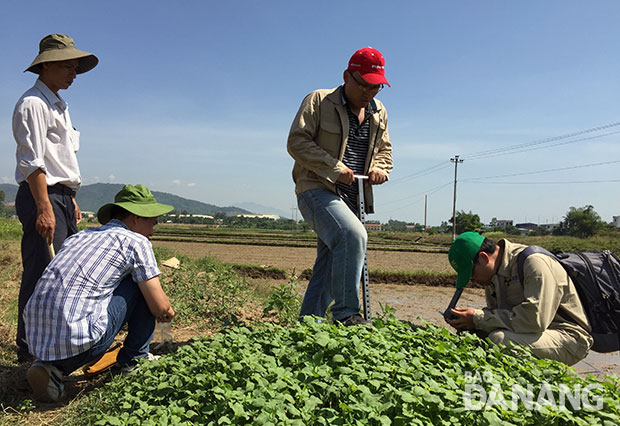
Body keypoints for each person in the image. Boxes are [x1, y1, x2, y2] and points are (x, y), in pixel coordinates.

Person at [24, 184, 175, 402]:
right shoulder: (137, 242)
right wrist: (166, 311)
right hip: (78, 336)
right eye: (152, 220)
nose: (154, 227)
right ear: (135, 217)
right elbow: (159, 307)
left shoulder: (80, 237)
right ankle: (135, 360)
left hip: (36, 337)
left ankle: (50, 368)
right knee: (139, 284)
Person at [287, 47, 393, 325]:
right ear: (347, 76)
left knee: (331, 261)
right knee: (352, 235)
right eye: (364, 85)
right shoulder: (319, 101)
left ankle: (308, 325)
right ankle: (346, 313)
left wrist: (379, 168)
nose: (370, 93)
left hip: (353, 195)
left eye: (377, 87)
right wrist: (335, 168)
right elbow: (297, 142)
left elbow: (385, 151)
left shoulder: (379, 111)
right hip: (317, 188)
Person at [13, 34, 98, 362]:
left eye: (75, 67)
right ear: (46, 64)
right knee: (41, 273)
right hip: (41, 195)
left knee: (61, 271)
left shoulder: (59, 107)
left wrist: (70, 197)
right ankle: (29, 348)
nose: (73, 73)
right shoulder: (33, 104)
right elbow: (32, 160)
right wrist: (45, 206)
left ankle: (51, 341)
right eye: (67, 66)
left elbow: (60, 160)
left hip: (59, 195)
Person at [446, 232, 593, 365]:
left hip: (568, 337)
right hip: (532, 333)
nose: (472, 280)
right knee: (474, 337)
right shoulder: (493, 276)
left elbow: (535, 320)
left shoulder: (534, 263)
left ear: (484, 258)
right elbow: (497, 316)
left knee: (499, 340)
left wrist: (478, 318)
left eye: (471, 274)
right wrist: (469, 323)